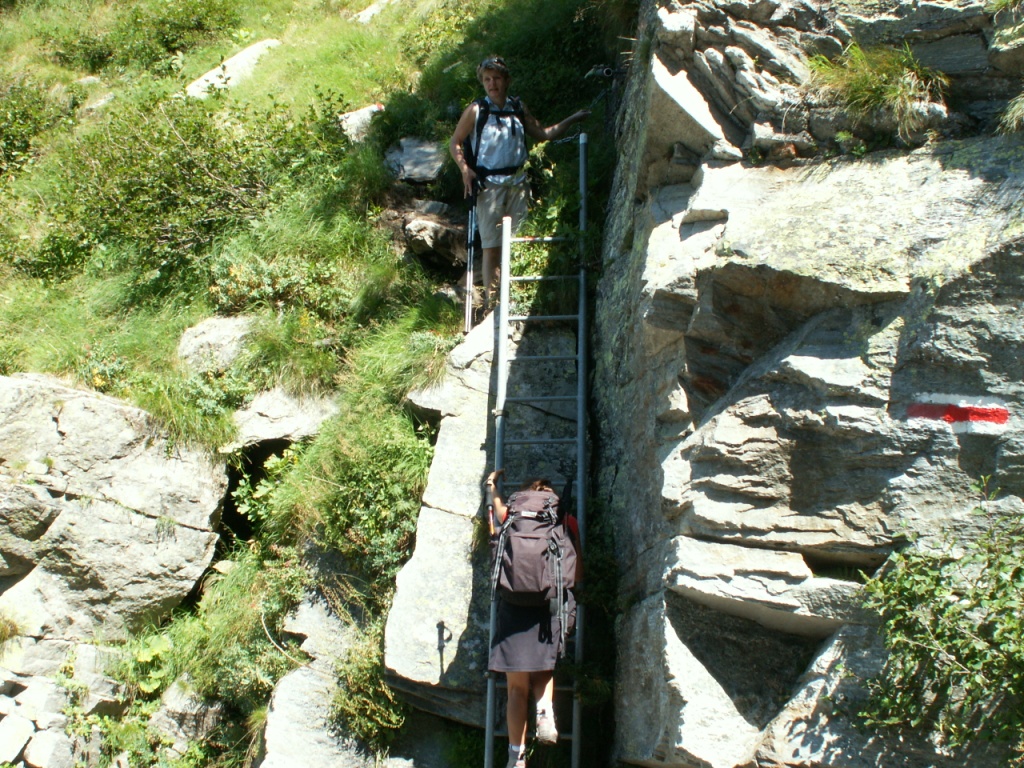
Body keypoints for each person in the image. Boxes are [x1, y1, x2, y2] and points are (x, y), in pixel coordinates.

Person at [449, 56, 590, 309]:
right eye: (487, 79)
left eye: (497, 78)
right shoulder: (476, 110)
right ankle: (493, 305)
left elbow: (543, 134)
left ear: (507, 80)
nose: (492, 84)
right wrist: (464, 169)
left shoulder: (517, 107)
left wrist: (572, 119)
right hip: (488, 186)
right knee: (492, 246)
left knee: (518, 242)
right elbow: (455, 142)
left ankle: (516, 299)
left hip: (518, 184)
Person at [485, 469, 581, 768]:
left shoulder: (510, 515)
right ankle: (544, 713)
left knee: (516, 688)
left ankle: (516, 758)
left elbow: (495, 509)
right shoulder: (562, 518)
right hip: (548, 605)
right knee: (542, 670)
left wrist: (491, 486)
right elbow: (575, 569)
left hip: (513, 605)